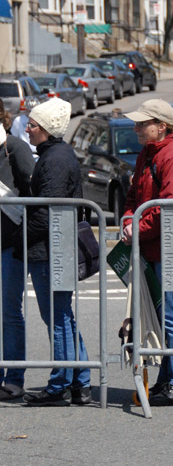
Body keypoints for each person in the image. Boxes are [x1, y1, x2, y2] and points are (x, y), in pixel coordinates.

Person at [122, 99, 173, 406]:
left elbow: (171, 209)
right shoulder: (149, 153)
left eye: (142, 123)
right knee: (164, 316)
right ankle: (170, 379)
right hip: (154, 246)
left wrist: (135, 226)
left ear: (161, 127)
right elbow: (134, 197)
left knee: (171, 317)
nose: (136, 128)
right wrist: (130, 220)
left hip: (171, 247)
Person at [20, 98, 92, 406]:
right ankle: (80, 380)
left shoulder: (55, 159)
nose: (27, 128)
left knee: (59, 318)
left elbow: (46, 213)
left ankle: (60, 383)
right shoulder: (55, 155)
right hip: (52, 249)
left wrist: (21, 236)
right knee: (63, 317)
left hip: (50, 251)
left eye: (33, 125)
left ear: (46, 129)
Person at [0, 104, 35, 400]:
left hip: (9, 244)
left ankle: (13, 377)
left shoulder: (14, 147)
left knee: (10, 312)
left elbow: (33, 190)